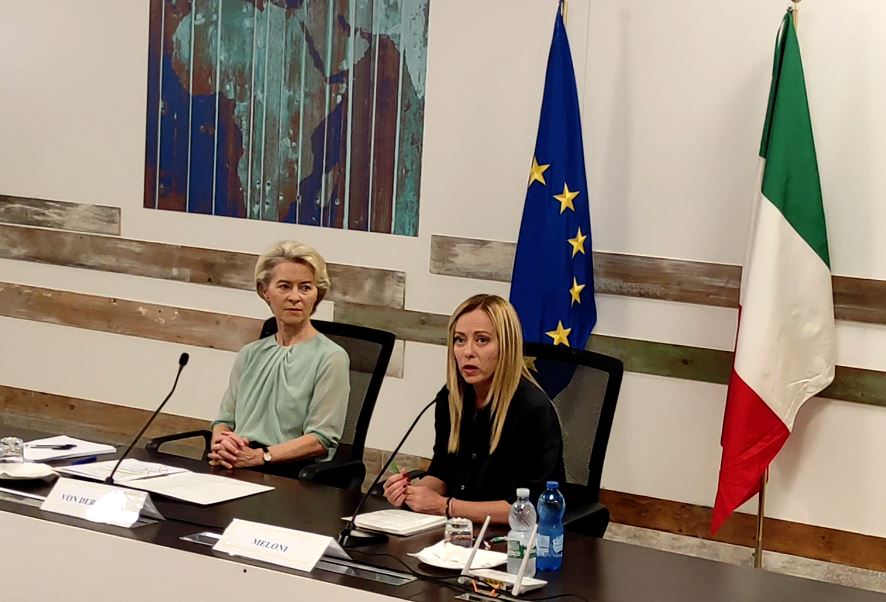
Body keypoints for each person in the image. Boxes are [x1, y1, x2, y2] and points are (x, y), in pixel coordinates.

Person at [383, 294, 565, 524]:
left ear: (506, 347)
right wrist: (411, 492)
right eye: (460, 340)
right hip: (457, 528)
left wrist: (445, 506)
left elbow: (531, 509)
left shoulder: (533, 410)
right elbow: (443, 471)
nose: (468, 351)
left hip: (511, 537)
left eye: (482, 340)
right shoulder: (451, 397)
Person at [208, 240, 350, 474]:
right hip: (238, 463)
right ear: (265, 291)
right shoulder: (250, 353)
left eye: (305, 288)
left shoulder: (331, 357)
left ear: (317, 295)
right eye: (284, 286)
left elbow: (321, 439)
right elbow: (224, 420)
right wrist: (223, 446)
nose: (295, 297)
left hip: (288, 472)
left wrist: (261, 457)